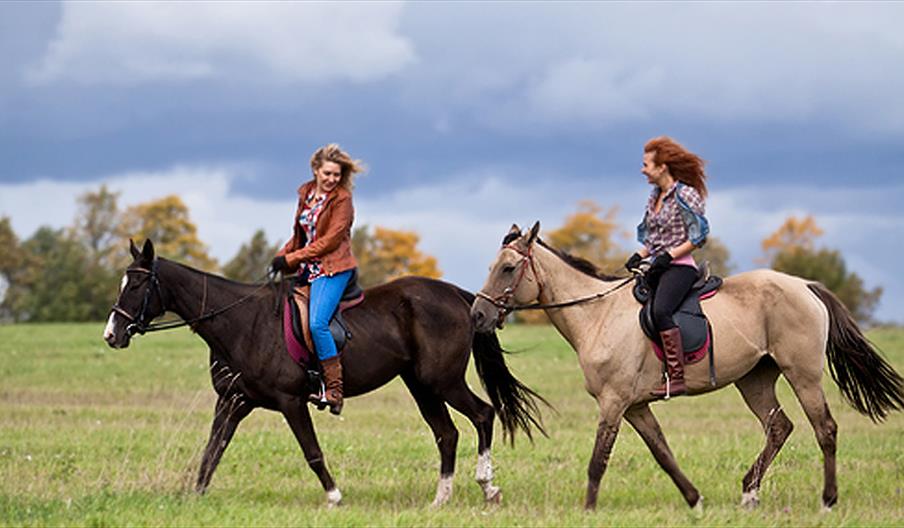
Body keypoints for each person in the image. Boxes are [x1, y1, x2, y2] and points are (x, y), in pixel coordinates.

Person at [271, 144, 364, 415]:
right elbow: (301, 235)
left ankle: (334, 389)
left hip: (333, 268)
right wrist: (282, 256)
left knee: (317, 323)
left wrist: (291, 259)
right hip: (307, 267)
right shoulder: (306, 193)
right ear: (315, 170)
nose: (332, 179)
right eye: (327, 173)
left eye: (336, 174)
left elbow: (329, 241)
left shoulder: (343, 200)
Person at [625, 136, 710, 399]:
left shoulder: (686, 195)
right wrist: (639, 255)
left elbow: (698, 236)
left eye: (646, 164)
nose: (642, 169)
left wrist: (669, 256)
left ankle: (677, 377)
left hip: (680, 267)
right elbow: (652, 239)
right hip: (657, 266)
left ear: (662, 167)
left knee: (661, 310)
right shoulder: (654, 197)